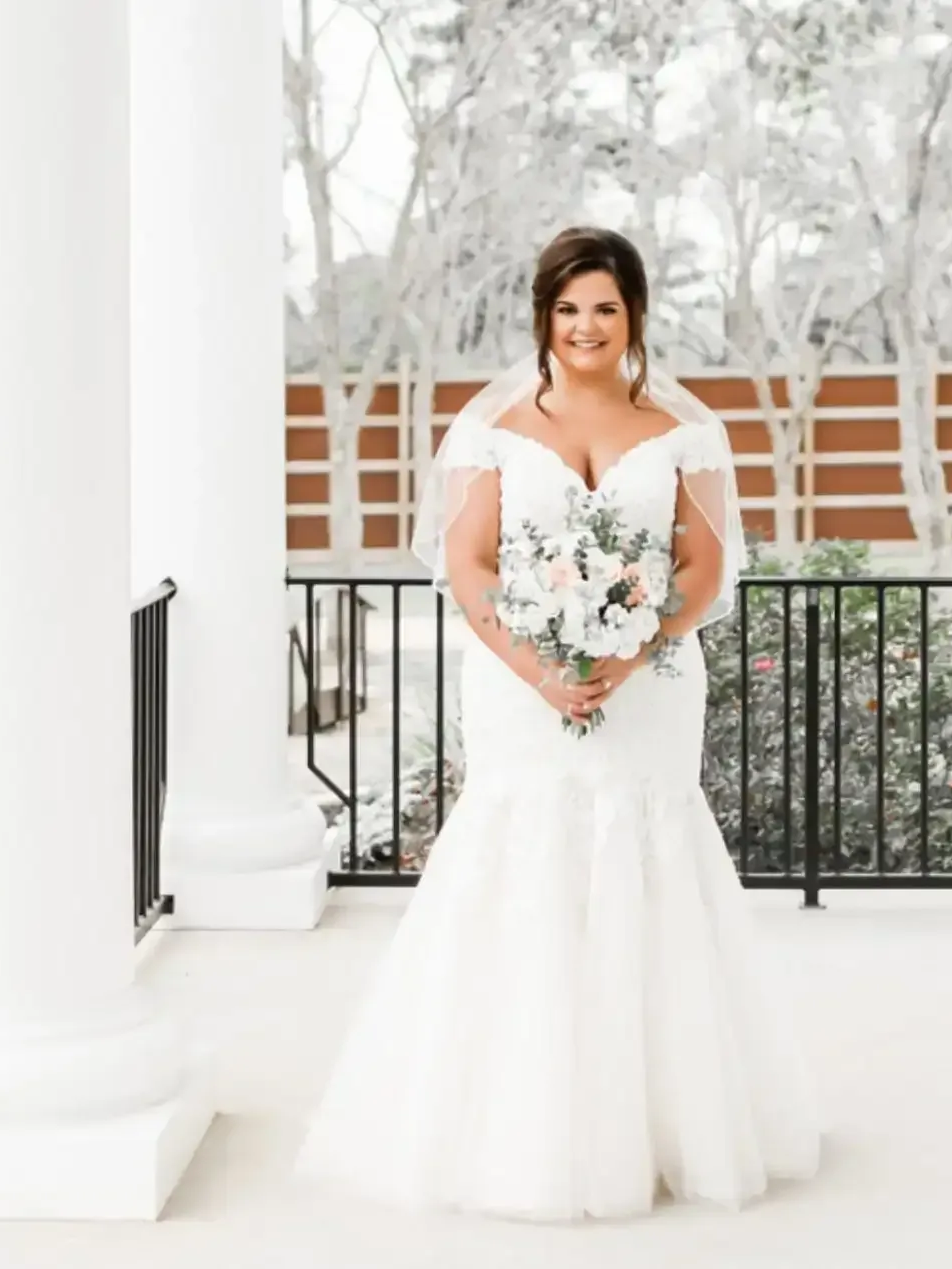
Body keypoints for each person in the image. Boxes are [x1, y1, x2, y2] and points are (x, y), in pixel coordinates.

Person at [294, 226, 820, 1220]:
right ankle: (514, 1130)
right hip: (515, 688)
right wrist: (541, 670)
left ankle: (667, 1123)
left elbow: (704, 570)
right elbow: (470, 566)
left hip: (652, 683)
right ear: (544, 316)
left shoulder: (683, 432)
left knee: (648, 855)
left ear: (635, 317)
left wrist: (627, 648)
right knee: (519, 854)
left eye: (605, 309)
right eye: (568, 309)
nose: (585, 327)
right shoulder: (490, 427)